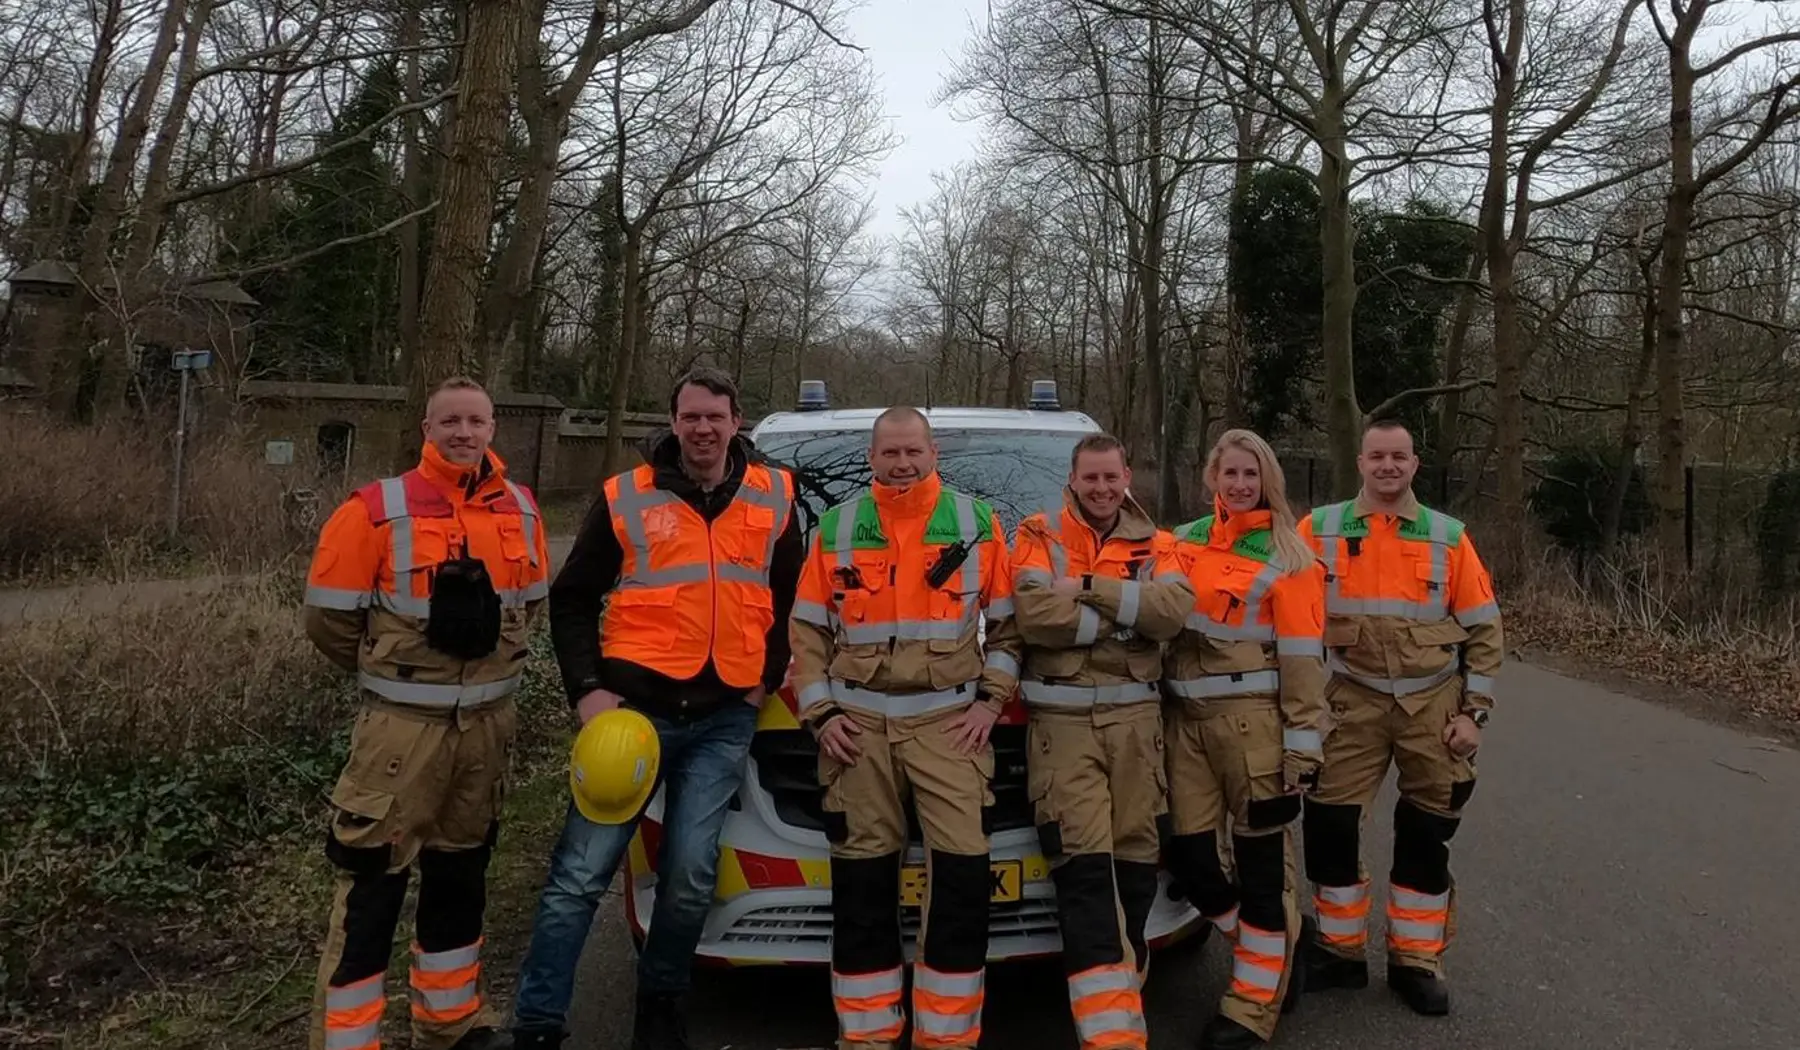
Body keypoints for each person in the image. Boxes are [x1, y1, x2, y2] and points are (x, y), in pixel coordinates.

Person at [507, 367, 803, 1050]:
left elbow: (793, 598)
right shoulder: (625, 497)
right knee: (579, 877)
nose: (703, 428)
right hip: (631, 716)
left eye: (716, 417)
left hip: (725, 717)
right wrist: (586, 690)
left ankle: (661, 1011)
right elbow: (573, 597)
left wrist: (762, 681)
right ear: (674, 422)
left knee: (691, 876)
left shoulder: (775, 495)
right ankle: (537, 1023)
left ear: (738, 423)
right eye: (691, 416)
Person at [302, 375, 551, 1050]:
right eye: (451, 422)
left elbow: (529, 604)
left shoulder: (522, 511)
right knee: (371, 889)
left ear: (493, 428)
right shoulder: (375, 509)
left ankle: (450, 1025)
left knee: (460, 879)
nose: (464, 433)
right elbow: (329, 621)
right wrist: (396, 672)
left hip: (488, 733)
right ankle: (349, 1042)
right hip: (399, 737)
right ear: (427, 429)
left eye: (476, 421)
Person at [788, 406, 1024, 1050]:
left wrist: (989, 703)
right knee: (863, 889)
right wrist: (821, 713)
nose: (902, 464)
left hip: (951, 726)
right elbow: (806, 633)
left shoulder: (978, 526)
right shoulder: (834, 529)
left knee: (961, 883)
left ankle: (946, 1038)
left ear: (932, 452)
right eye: (890, 453)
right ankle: (866, 1035)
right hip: (856, 731)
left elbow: (1007, 631)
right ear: (872, 458)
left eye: (913, 452)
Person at [1297, 418, 1503, 1016]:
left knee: (1425, 834)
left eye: (1400, 457)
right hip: (1349, 700)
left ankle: (1416, 961)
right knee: (1329, 825)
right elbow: (1281, 607)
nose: (1388, 466)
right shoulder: (1318, 528)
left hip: (1431, 705)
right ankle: (1340, 951)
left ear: (1415, 465)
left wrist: (1475, 714)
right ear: (1359, 463)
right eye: (1377, 456)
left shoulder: (1448, 537)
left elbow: (1485, 629)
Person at [1008, 433, 1195, 1050]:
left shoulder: (1160, 543)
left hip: (1139, 732)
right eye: (1090, 478)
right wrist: (1126, 619)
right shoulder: (1038, 533)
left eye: (1110, 478)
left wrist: (1089, 586)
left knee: (1137, 863)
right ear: (1073, 477)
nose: (1101, 489)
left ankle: (1120, 998)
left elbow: (1172, 615)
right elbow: (1036, 618)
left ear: (1127, 476)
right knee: (1085, 872)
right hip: (1063, 732)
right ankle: (1110, 1037)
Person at [1161, 429, 1329, 1049]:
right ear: (1212, 477)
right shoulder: (1178, 542)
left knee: (1261, 871)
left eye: (1250, 476)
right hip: (1185, 727)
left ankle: (1252, 1006)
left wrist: (1302, 747)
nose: (1239, 485)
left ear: (1267, 482)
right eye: (1229, 473)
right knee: (1191, 858)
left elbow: (1305, 659)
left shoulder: (1290, 557)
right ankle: (1282, 947)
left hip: (1253, 727)